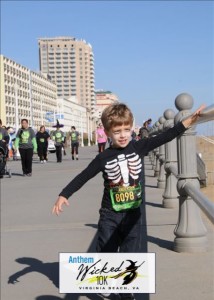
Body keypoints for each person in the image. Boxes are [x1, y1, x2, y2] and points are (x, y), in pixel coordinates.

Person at [52, 103, 204, 300]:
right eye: (117, 131)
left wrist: (187, 123)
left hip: (134, 212)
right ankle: (103, 280)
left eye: (126, 129)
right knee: (106, 247)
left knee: (129, 251)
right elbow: (84, 175)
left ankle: (126, 288)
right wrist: (64, 194)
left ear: (132, 128)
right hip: (110, 213)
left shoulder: (139, 146)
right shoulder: (103, 157)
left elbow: (164, 137)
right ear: (107, 132)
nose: (123, 135)